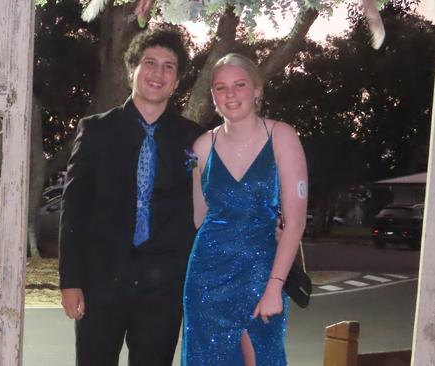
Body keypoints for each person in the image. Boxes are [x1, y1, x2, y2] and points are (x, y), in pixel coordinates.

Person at [59, 27, 204, 366]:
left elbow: (202, 208)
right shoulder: (96, 129)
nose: (158, 73)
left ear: (177, 80)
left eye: (169, 66)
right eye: (149, 62)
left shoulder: (194, 139)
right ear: (132, 70)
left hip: (163, 289)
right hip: (101, 282)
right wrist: (71, 281)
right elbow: (74, 208)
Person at [181, 53, 308, 365]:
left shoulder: (282, 136)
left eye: (239, 85)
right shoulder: (200, 147)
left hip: (263, 273)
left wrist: (275, 287)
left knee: (263, 357)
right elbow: (198, 218)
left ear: (257, 89)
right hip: (207, 276)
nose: (230, 94)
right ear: (212, 96)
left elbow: (295, 223)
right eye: (220, 88)